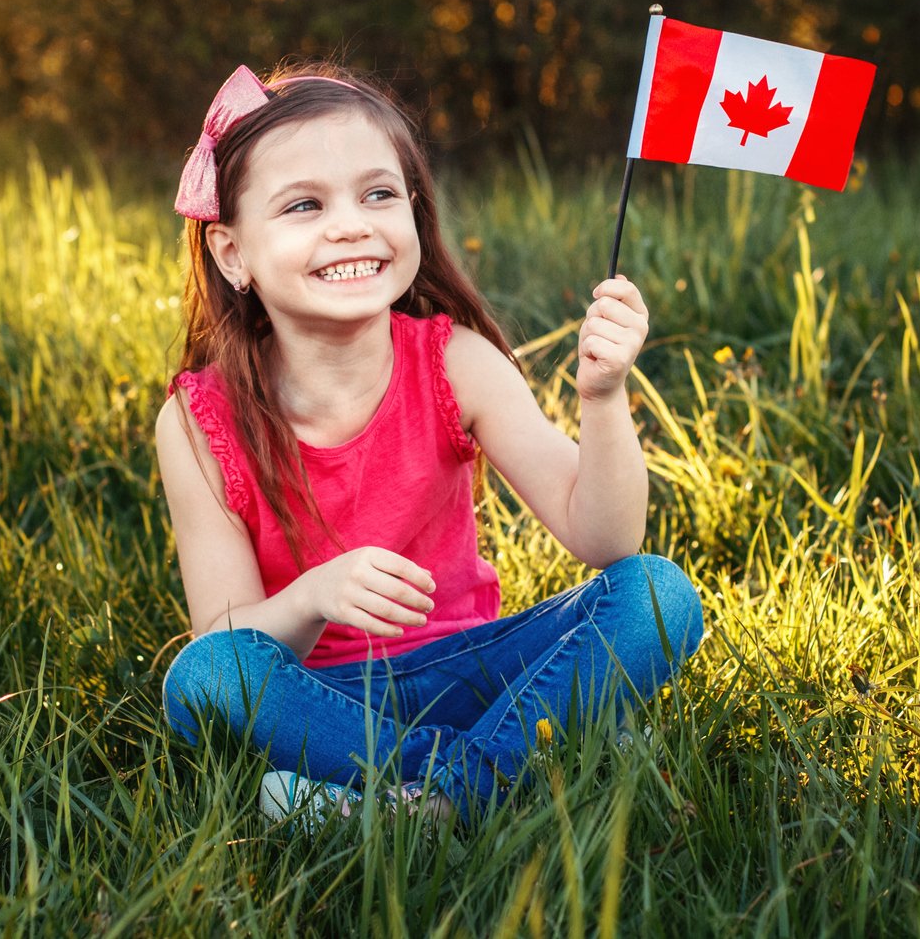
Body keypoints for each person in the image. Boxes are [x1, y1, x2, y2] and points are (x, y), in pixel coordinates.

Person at [156, 62, 704, 826]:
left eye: (378, 194)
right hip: (322, 696)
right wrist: (313, 595)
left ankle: (418, 803)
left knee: (655, 594)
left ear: (414, 214)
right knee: (207, 679)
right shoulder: (199, 420)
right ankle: (517, 760)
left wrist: (602, 398)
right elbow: (223, 634)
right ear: (231, 255)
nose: (350, 223)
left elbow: (604, 538)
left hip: (474, 667)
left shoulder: (455, 361)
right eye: (304, 204)